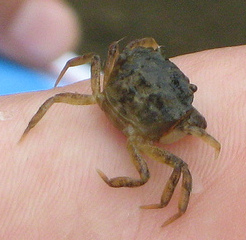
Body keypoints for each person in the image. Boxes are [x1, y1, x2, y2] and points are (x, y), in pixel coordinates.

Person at [0, 1, 245, 239]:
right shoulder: (148, 135)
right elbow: (161, 167)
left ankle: (27, 131)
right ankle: (166, 212)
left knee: (55, 98)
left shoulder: (110, 70)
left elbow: (107, 55)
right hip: (133, 130)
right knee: (162, 171)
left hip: (105, 99)